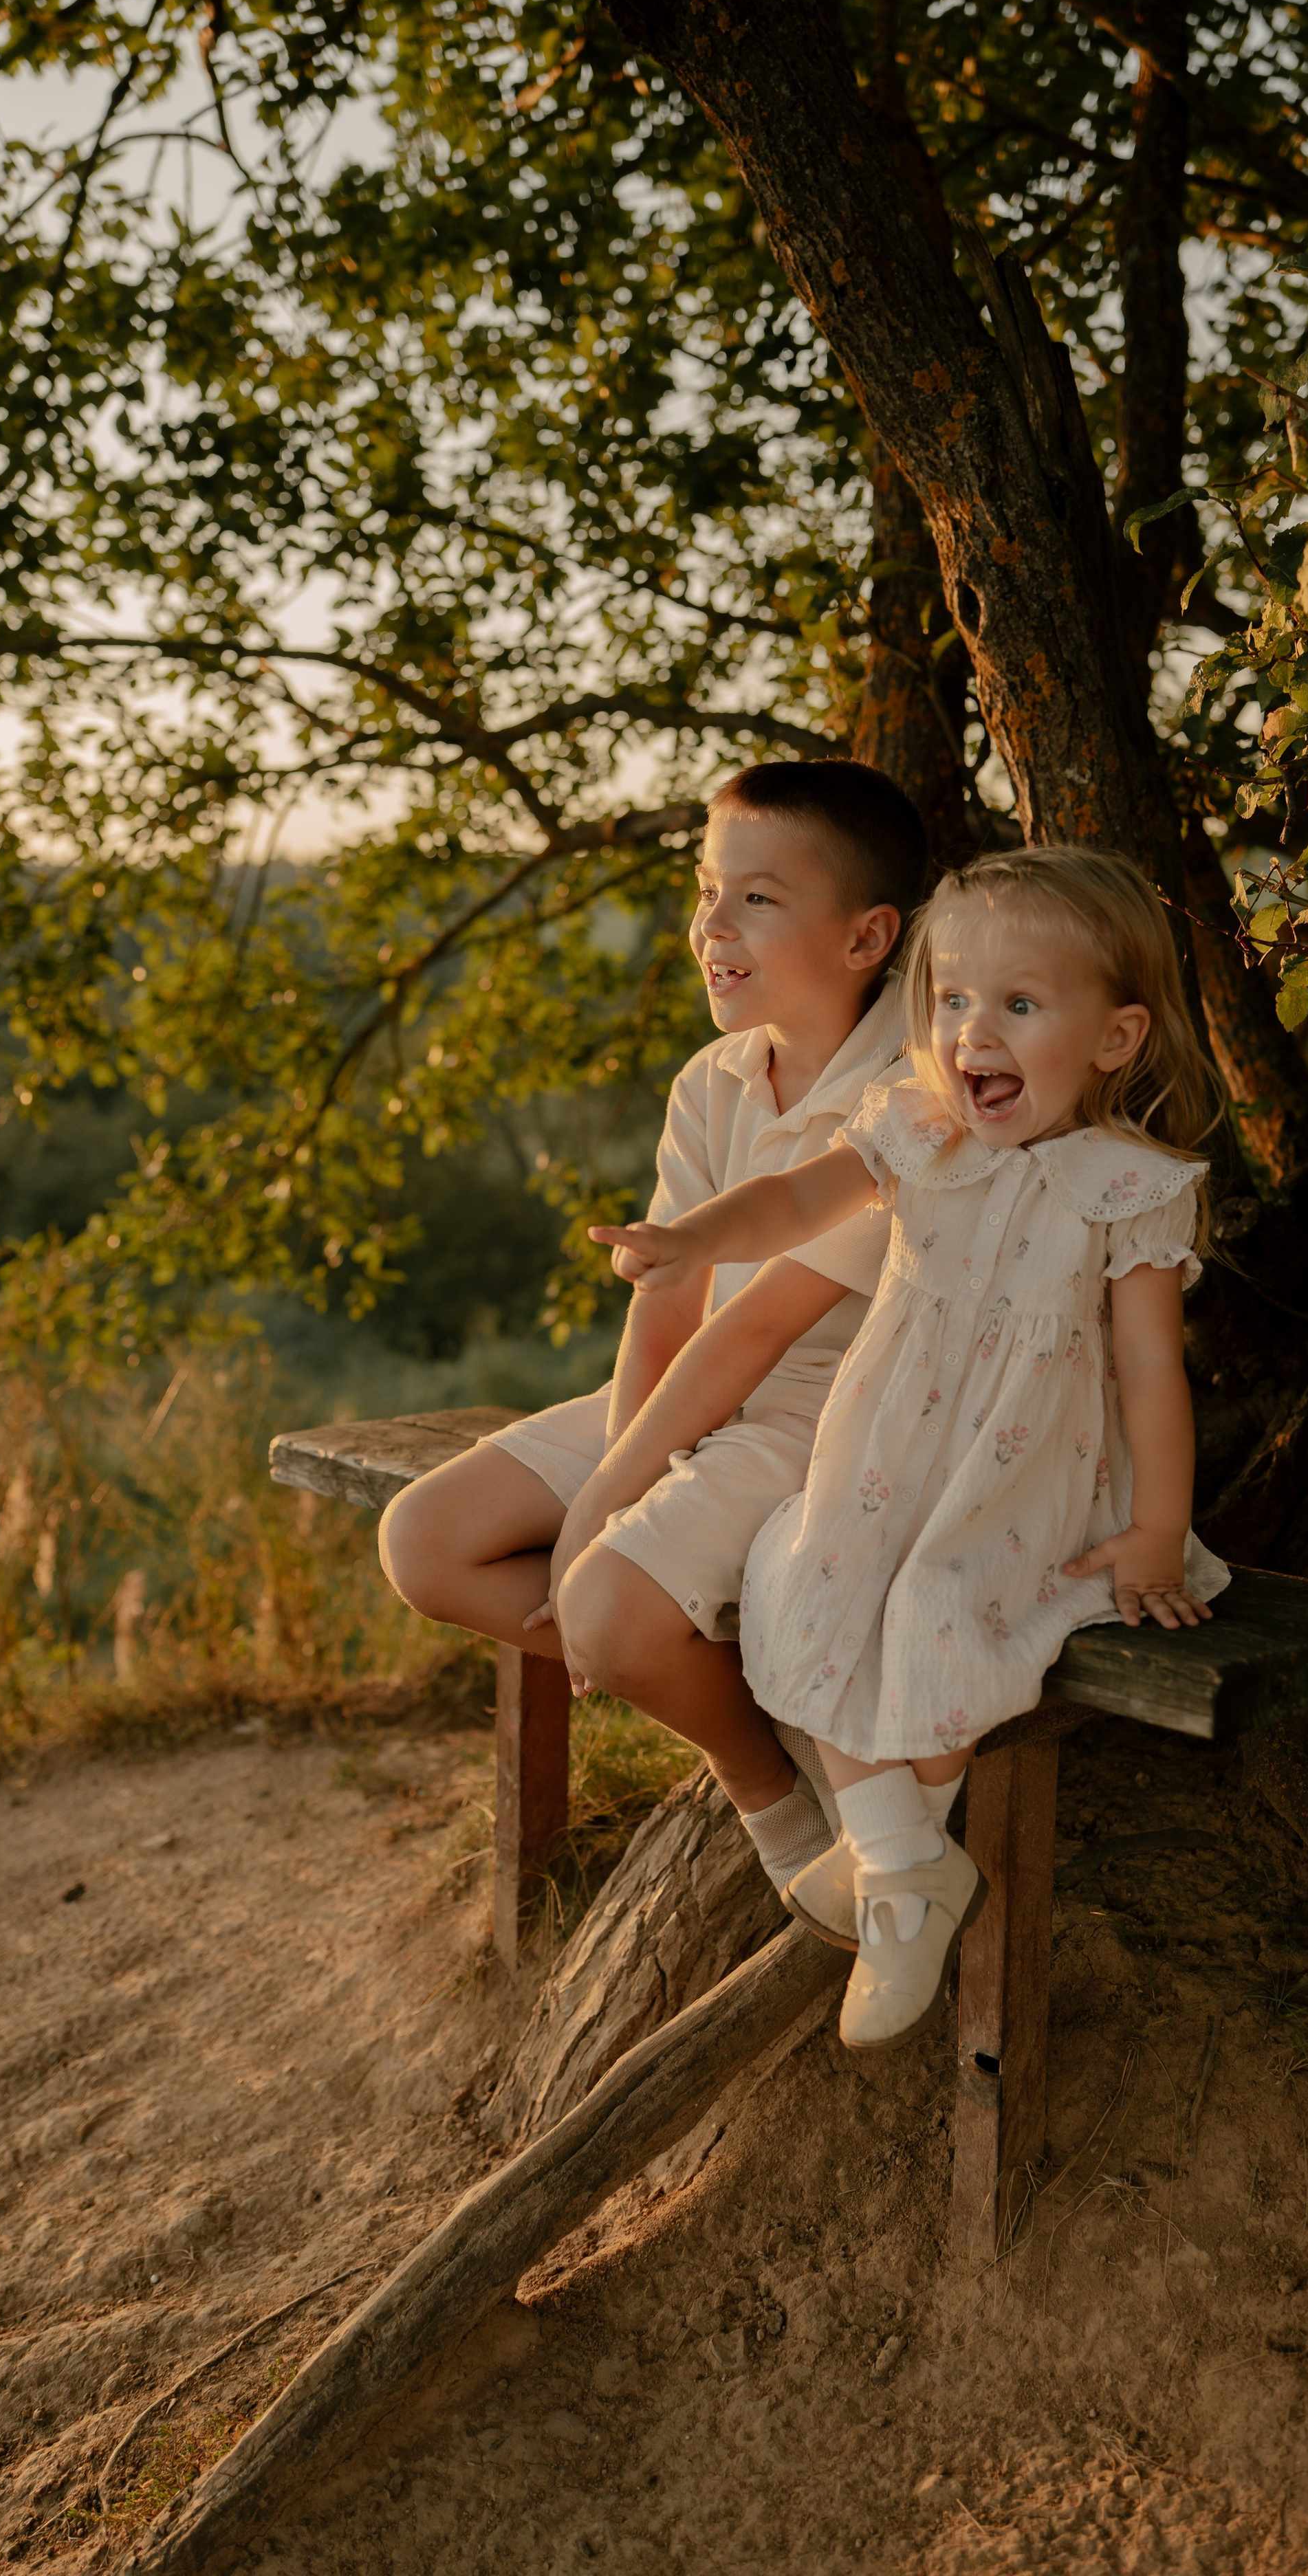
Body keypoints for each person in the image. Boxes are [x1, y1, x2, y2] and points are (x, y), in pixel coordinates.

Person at [556, 845, 1230, 2053]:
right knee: (800, 1578)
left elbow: (1147, 1372)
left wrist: (1158, 1532)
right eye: (954, 999)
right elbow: (791, 1207)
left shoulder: (1130, 1187)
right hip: (884, 1454)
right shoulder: (916, 1133)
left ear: (1117, 1038)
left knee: (934, 1602)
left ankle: (900, 1883)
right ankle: (907, 1863)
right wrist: (689, 1235)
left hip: (1028, 1476)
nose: (973, 1032)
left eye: (1019, 1006)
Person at [378, 758, 930, 1897]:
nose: (711, 924)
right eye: (705, 890)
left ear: (868, 936)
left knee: (617, 1613)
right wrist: (630, 1455)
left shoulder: (910, 1104)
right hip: (695, 1392)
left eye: (757, 899)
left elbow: (757, 1339)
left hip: (819, 1418)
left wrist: (607, 1505)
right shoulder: (717, 1080)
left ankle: (761, 1783)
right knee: (423, 1541)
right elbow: (671, 1306)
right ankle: (749, 1714)